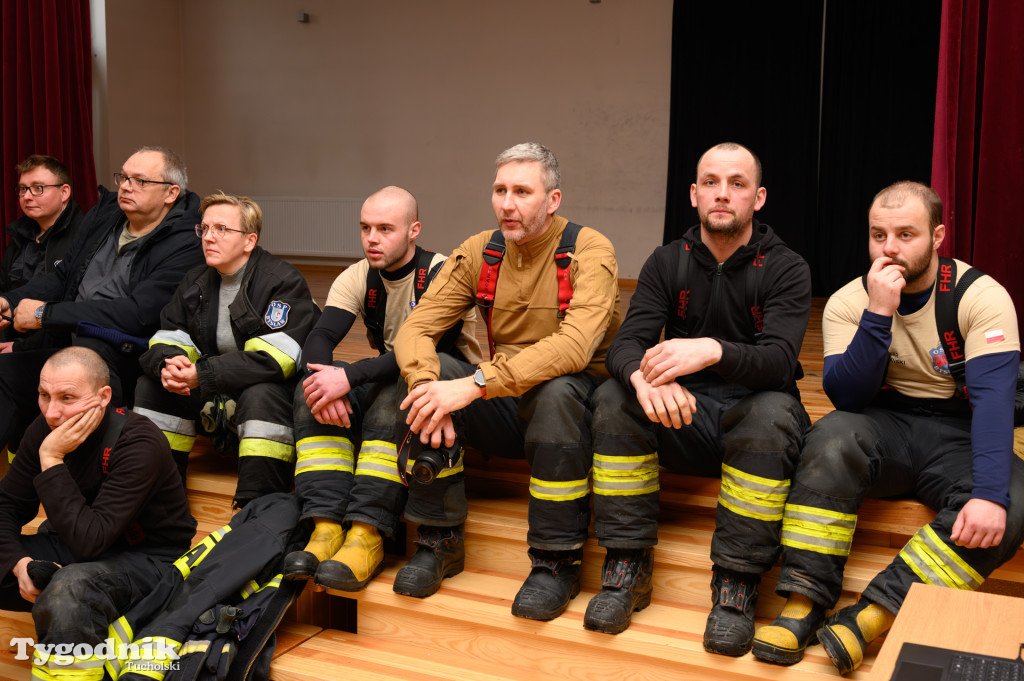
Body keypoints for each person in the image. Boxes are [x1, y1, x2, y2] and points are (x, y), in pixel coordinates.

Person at [751, 181, 1024, 674]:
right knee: (831, 437)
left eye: (906, 234)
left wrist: (988, 493)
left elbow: (993, 404)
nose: (890, 248)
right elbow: (848, 398)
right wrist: (878, 312)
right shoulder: (848, 301)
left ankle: (873, 615)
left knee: (1012, 498)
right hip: (884, 422)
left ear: (938, 236)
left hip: (959, 430)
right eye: (879, 235)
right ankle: (804, 601)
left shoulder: (981, 296)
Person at [383, 142, 620, 616]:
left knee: (553, 391)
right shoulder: (480, 251)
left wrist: (474, 384)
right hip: (504, 396)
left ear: (552, 200)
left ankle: (556, 562)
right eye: (499, 190)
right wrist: (424, 385)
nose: (507, 204)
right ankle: (438, 540)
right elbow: (417, 327)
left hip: (573, 408)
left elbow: (574, 347)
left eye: (522, 192)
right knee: (435, 377)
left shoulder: (589, 249)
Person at [588, 143, 812, 641]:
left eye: (737, 184)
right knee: (612, 398)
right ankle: (627, 565)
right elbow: (625, 345)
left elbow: (778, 362)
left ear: (758, 198)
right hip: (684, 417)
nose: (722, 194)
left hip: (758, 421)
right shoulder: (668, 261)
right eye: (711, 182)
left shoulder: (787, 267)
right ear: (694, 194)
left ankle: (736, 583)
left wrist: (712, 349)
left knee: (771, 414)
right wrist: (641, 379)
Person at [283, 185, 481, 588]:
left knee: (395, 392)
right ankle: (326, 525)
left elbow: (423, 352)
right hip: (388, 374)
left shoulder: (443, 272)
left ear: (414, 230)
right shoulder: (358, 275)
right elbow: (320, 337)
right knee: (312, 392)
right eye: (365, 228)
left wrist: (349, 377)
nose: (372, 239)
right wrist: (323, 379)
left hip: (447, 380)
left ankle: (366, 532)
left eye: (385, 229)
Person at [0, 346, 195, 680]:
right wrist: (19, 565)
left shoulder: (139, 440)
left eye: (67, 397)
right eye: (44, 395)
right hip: (72, 541)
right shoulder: (44, 429)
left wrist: (51, 460)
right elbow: (6, 507)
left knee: (71, 587)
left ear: (103, 396)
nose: (51, 413)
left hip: (149, 560)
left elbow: (91, 541)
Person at [0, 146, 204, 456]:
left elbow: (138, 314)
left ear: (170, 193)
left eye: (139, 181)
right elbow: (63, 276)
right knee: (4, 370)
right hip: (69, 344)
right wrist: (9, 301)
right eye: (123, 177)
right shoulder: (105, 215)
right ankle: (25, 479)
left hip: (129, 355)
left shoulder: (188, 242)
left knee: (87, 350)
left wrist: (44, 314)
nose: (125, 186)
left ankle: (95, 474)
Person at [134, 192, 320, 508]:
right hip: (215, 393)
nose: (208, 237)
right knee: (151, 385)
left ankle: (258, 506)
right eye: (204, 228)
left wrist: (201, 375)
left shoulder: (283, 281)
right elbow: (168, 335)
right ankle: (160, 495)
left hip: (268, 396)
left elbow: (275, 361)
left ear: (249, 241)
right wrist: (170, 365)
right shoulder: (195, 279)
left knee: (260, 392)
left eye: (221, 229)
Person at [2, 155, 83, 294]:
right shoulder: (19, 235)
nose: (26, 197)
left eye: (38, 188)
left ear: (64, 193)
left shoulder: (84, 234)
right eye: (23, 188)